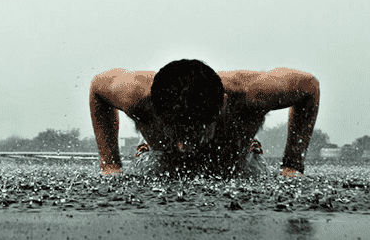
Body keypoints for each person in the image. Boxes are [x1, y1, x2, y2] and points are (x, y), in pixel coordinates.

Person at [89, 59, 320, 178]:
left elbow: (309, 87)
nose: (182, 146)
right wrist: (110, 165)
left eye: (193, 133)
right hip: (159, 160)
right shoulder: (136, 96)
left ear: (223, 106)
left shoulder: (251, 94)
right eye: (174, 133)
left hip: (237, 161)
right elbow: (98, 88)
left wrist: (292, 166)